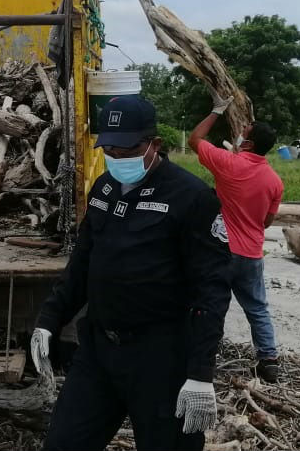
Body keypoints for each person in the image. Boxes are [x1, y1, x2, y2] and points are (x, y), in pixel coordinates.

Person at [30, 95, 232, 451]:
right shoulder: (103, 189)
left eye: (127, 149)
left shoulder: (192, 197)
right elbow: (82, 262)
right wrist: (49, 318)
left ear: (154, 144)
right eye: (109, 148)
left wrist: (200, 373)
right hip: (98, 350)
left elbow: (211, 289)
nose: (117, 157)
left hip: (160, 360)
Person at [187, 95, 284, 382]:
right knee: (257, 307)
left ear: (250, 144)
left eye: (243, 133)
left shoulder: (227, 164)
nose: (239, 135)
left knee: (210, 305)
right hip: (252, 254)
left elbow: (195, 139)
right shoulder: (274, 180)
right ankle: (269, 360)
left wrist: (216, 110)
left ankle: (202, 358)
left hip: (222, 251)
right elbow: (267, 221)